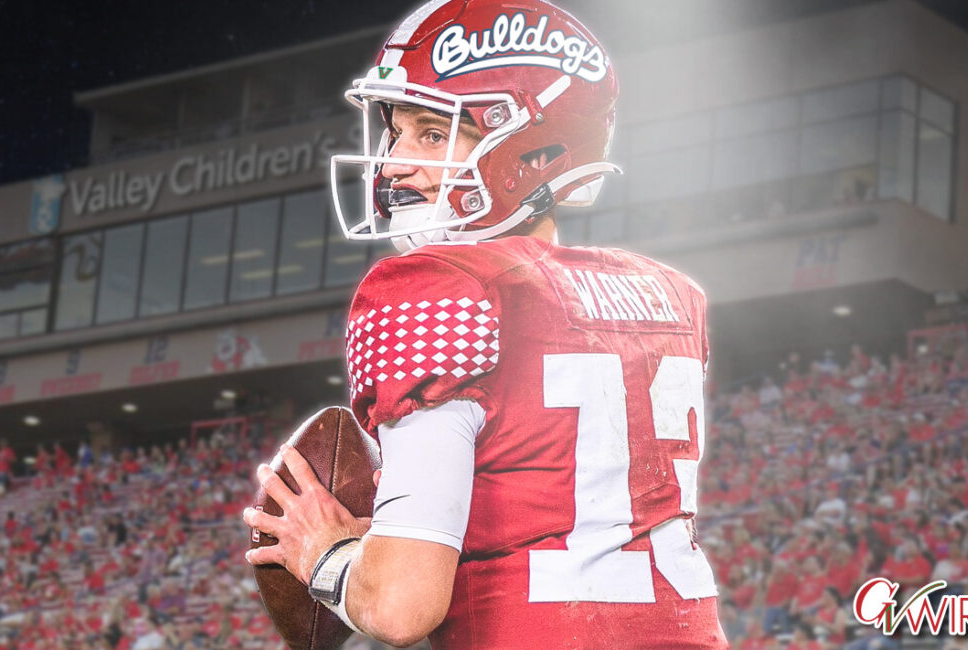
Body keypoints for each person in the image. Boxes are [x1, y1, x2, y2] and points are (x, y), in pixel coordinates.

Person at [244, 1, 724, 647]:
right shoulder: (671, 295)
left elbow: (400, 607)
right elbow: (547, 498)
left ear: (532, 149)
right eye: (396, 131)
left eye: (433, 134)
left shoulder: (433, 286)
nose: (392, 164)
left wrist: (322, 553)